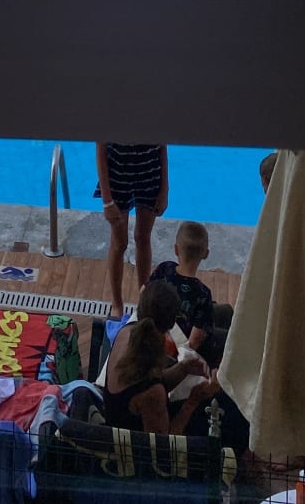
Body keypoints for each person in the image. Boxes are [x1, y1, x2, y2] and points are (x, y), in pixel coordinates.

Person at [102, 315, 219, 435]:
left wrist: (183, 369)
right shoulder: (152, 393)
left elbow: (148, 383)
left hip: (115, 427)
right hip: (136, 443)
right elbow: (164, 443)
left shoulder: (125, 333)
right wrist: (193, 401)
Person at [95, 143, 168, 318]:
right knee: (119, 243)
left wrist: (164, 190)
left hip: (149, 173)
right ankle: (117, 303)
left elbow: (162, 146)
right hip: (118, 175)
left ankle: (144, 301)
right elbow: (101, 150)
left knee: (143, 238)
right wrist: (107, 201)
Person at [150, 221, 214, 351]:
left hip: (151, 334)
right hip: (175, 349)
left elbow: (143, 292)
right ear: (206, 254)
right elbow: (195, 340)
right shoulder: (203, 294)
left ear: (176, 249)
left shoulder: (164, 269)